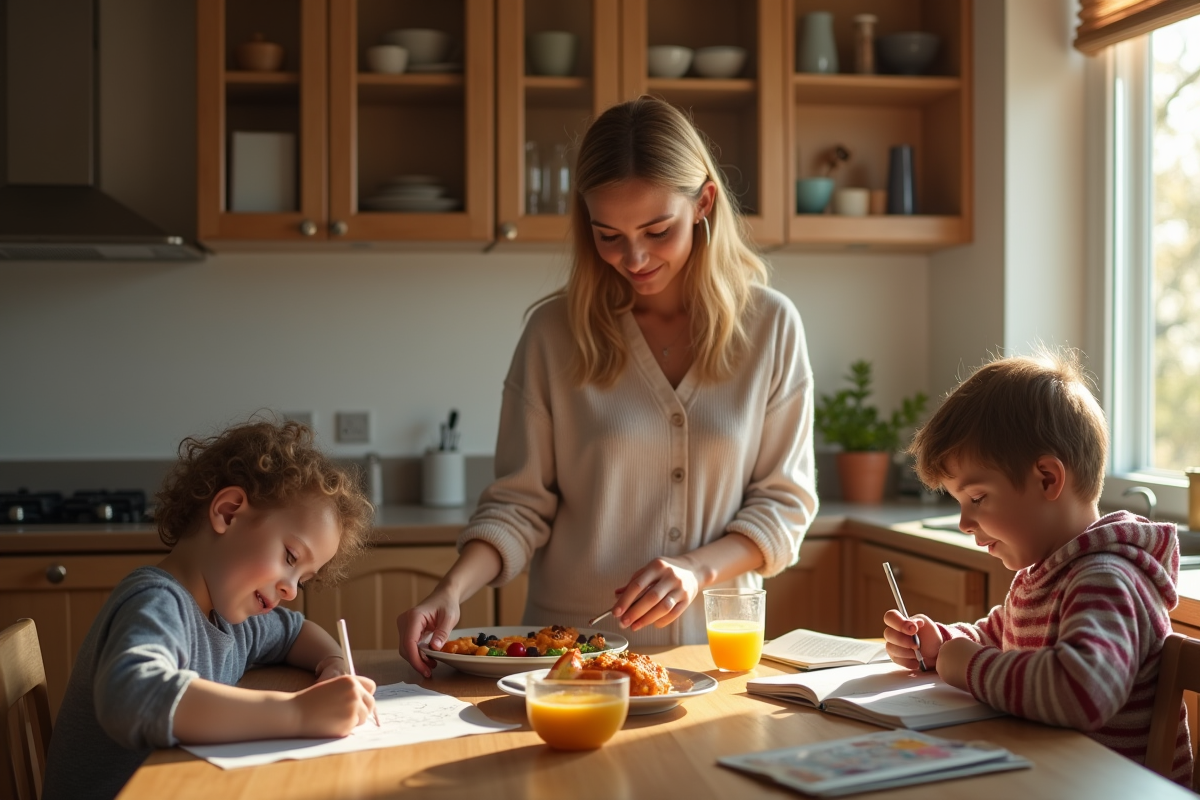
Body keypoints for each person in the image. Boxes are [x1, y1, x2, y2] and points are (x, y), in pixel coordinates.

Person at [397, 96, 818, 675]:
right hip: (571, 657)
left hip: (713, 658)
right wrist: (451, 589)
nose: (635, 257)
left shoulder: (771, 327)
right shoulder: (552, 333)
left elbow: (785, 504)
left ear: (704, 203)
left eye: (656, 229)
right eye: (609, 235)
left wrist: (697, 569)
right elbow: (519, 504)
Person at [884, 349, 1191, 785]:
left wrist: (967, 666)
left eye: (977, 498)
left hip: (1106, 789)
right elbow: (1001, 636)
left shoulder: (1105, 578)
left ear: (1048, 478)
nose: (965, 523)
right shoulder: (1046, 572)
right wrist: (943, 642)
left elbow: (1083, 692)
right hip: (1052, 779)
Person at [42, 420, 379, 800]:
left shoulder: (231, 618)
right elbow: (133, 698)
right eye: (290, 556)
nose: (290, 589)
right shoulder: (156, 601)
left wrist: (333, 662)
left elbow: (294, 632)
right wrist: (298, 713)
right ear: (229, 512)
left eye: (302, 579)